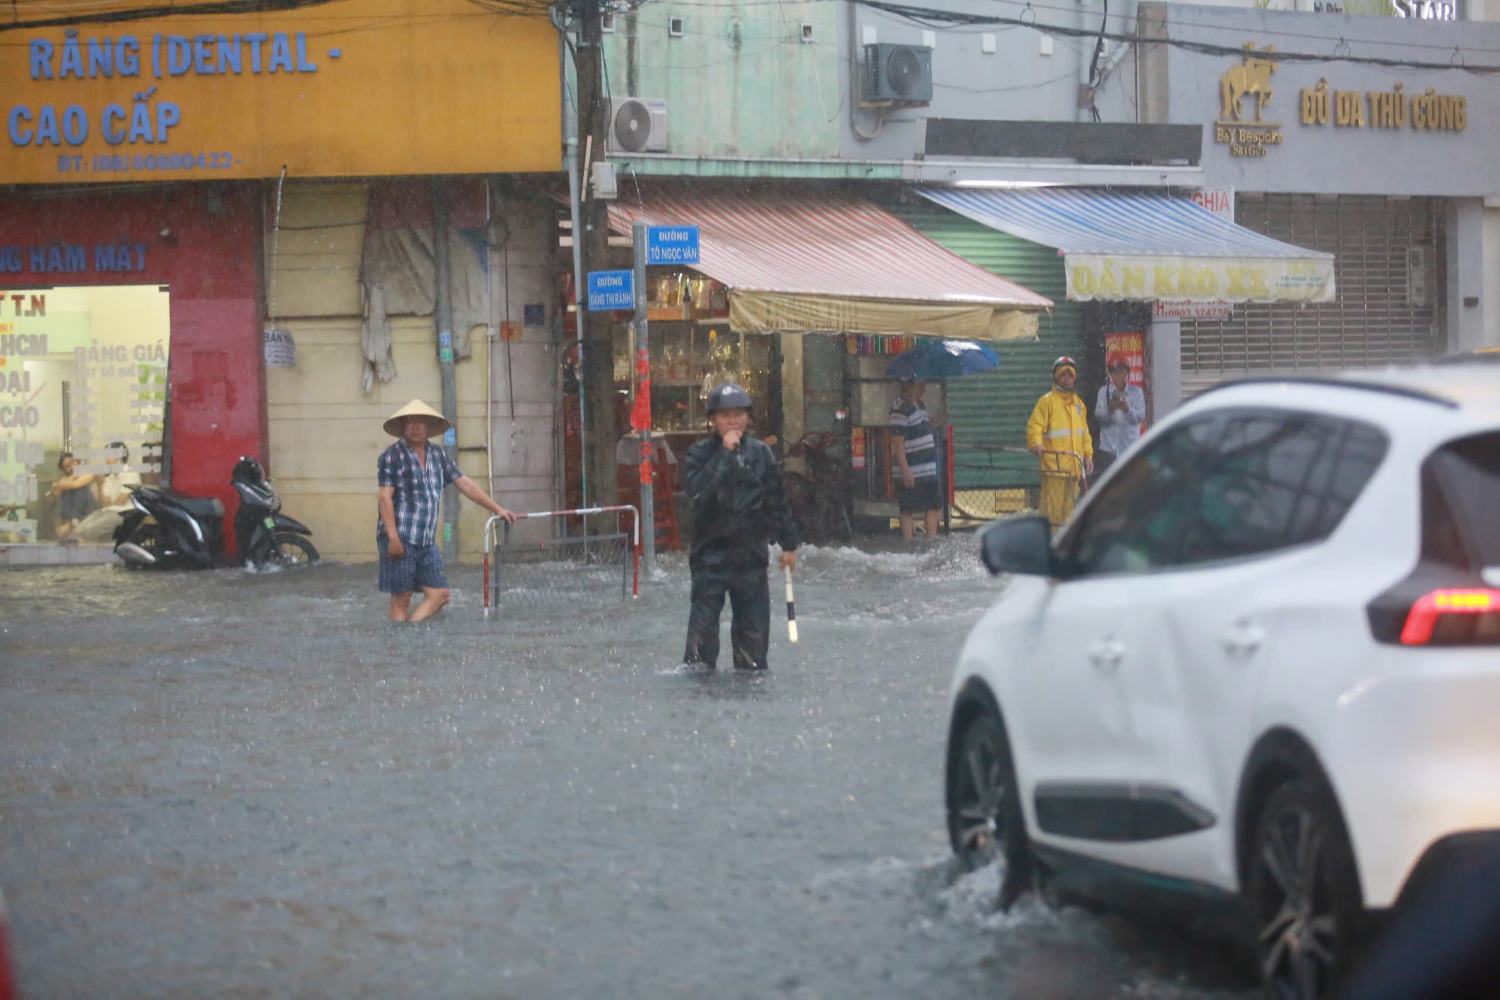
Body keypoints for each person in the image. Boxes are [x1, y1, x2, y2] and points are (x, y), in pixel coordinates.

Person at [681, 382, 800, 671]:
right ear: (713, 419)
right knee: (700, 647)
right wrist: (724, 454)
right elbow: (698, 495)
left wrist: (788, 544)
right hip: (710, 557)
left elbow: (776, 499)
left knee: (754, 649)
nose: (733, 420)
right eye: (725, 415)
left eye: (739, 414)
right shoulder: (698, 455)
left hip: (750, 558)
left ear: (748, 417)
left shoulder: (761, 454)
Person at [377, 398, 517, 623]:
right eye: (410, 421)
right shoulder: (392, 456)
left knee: (439, 595)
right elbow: (384, 498)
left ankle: (411, 635)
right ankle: (400, 647)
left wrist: (497, 509)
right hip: (400, 537)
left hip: (425, 540)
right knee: (401, 599)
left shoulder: (437, 454)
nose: (415, 426)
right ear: (403, 426)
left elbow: (464, 483)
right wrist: (393, 538)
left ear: (428, 427)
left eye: (421, 422)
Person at [1026, 356, 1093, 529]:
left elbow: (1084, 434)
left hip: (1073, 471)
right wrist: (1036, 443)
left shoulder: (1079, 404)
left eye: (1071, 375)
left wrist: (1088, 455)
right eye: (1063, 375)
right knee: (1052, 515)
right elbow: (1035, 425)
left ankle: (1062, 547)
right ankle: (1049, 548)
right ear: (1056, 378)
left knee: (1069, 516)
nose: (1068, 379)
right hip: (1054, 471)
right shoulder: (1046, 402)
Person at [889, 376, 943, 542]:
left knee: (933, 505)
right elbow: (897, 443)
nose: (924, 387)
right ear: (910, 386)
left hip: (927, 468)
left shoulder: (920, 405)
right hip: (911, 469)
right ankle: (909, 542)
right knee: (907, 508)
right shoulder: (900, 408)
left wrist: (937, 420)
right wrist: (905, 471)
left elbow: (923, 429)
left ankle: (931, 540)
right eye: (921, 384)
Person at [71, 442, 144, 543]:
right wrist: (100, 484)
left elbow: (120, 503)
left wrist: (109, 505)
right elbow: (105, 505)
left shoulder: (131, 474)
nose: (106, 460)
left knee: (89, 530)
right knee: (77, 530)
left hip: (126, 514)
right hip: (108, 512)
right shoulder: (110, 477)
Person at [1093, 355, 1147, 480]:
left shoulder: (1136, 392)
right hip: (1108, 450)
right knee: (1109, 488)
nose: (1118, 376)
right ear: (1110, 374)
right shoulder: (1103, 392)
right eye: (1114, 372)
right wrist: (1110, 410)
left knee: (1130, 485)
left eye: (1121, 372)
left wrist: (1127, 409)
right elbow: (1099, 418)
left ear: (1127, 373)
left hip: (1130, 450)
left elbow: (1139, 417)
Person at [49, 452, 98, 541]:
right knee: (65, 492)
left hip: (88, 517)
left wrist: (60, 484)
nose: (71, 468)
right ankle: (64, 525)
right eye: (66, 467)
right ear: (62, 469)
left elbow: (75, 484)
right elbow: (55, 493)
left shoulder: (89, 473)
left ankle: (70, 524)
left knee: (80, 489)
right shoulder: (64, 481)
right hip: (70, 518)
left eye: (72, 463)